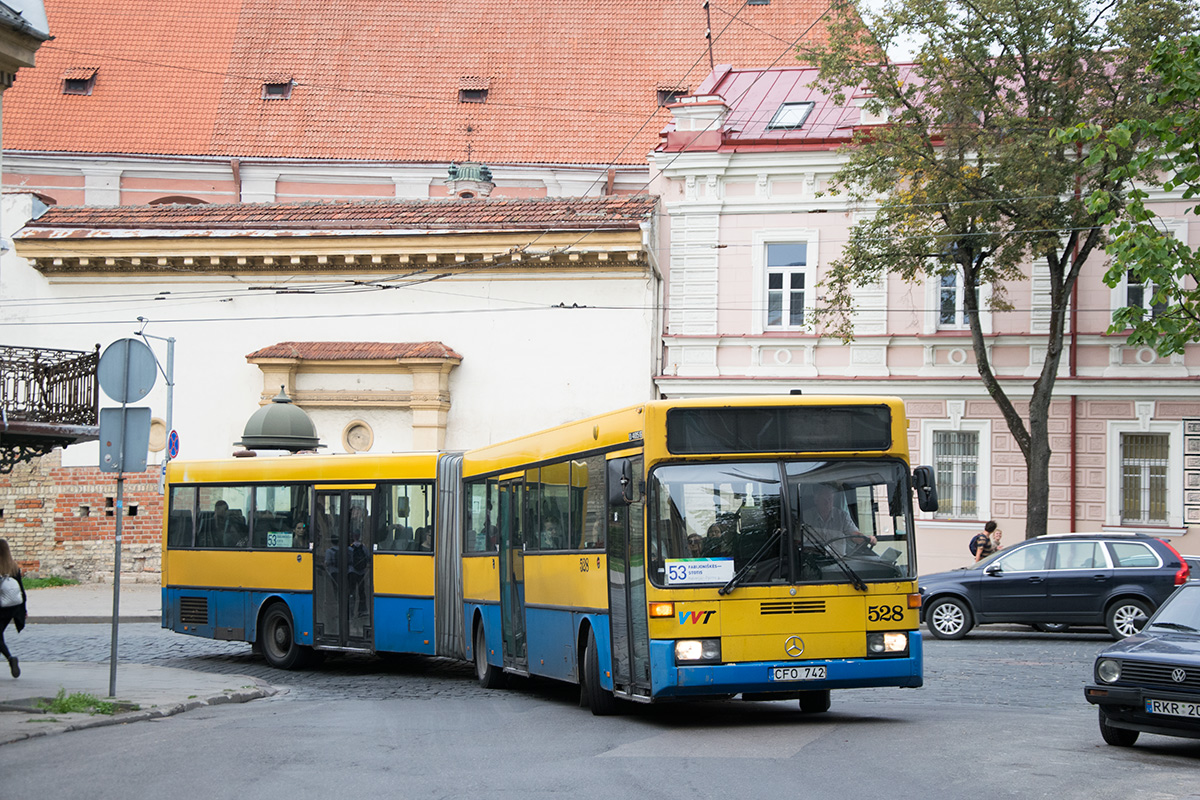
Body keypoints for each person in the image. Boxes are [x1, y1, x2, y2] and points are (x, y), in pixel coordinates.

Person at [806, 484, 876, 555]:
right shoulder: (806, 516)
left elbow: (855, 535)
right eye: (824, 500)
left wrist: (867, 538)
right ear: (816, 501)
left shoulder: (842, 516)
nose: (827, 503)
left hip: (839, 562)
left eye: (830, 499)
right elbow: (798, 542)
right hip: (814, 561)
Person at [0, 539, 28, 679]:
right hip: (12, 607)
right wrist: (24, 609)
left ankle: (11, 659)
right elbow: (21, 590)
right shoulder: (13, 567)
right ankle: (10, 659)